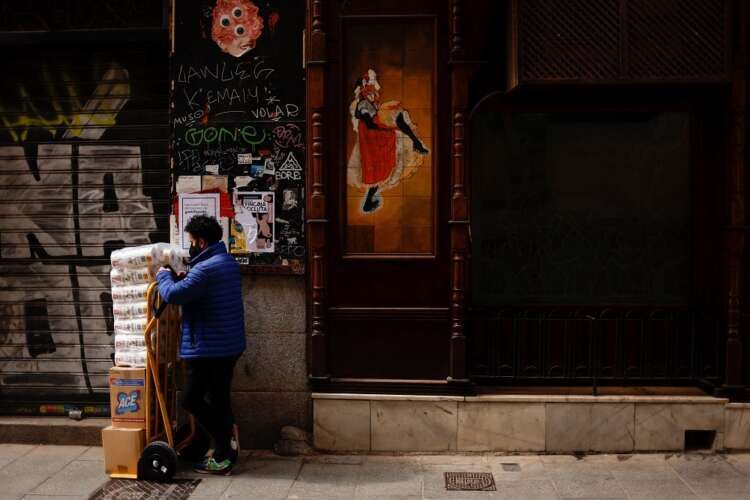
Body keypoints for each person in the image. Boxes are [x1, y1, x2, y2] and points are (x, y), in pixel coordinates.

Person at [156, 215, 245, 475]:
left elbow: (173, 294)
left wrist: (163, 276)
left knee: (192, 399)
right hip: (229, 344)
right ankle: (224, 451)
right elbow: (201, 289)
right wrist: (186, 277)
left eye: (192, 241)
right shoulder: (226, 262)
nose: (190, 246)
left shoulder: (205, 269)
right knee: (218, 399)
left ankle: (225, 449)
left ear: (202, 242)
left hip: (209, 347)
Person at [347, 69, 429, 213]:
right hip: (372, 136)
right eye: (370, 89)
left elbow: (372, 119)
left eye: (373, 90)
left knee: (398, 115)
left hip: (374, 131)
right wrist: (386, 129)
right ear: (364, 90)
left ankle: (416, 143)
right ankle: (416, 143)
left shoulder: (368, 102)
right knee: (381, 164)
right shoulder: (362, 105)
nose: (373, 92)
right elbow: (369, 124)